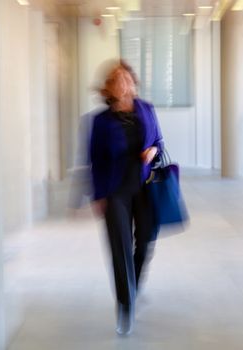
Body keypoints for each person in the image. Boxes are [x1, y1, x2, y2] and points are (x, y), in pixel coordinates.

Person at [89, 59, 163, 335]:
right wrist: (98, 195)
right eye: (118, 79)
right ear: (110, 88)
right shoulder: (100, 121)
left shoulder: (146, 109)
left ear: (133, 83)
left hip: (144, 186)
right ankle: (125, 305)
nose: (125, 82)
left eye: (128, 78)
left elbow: (159, 142)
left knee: (144, 242)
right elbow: (94, 158)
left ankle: (133, 285)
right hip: (114, 191)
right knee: (120, 249)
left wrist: (151, 153)